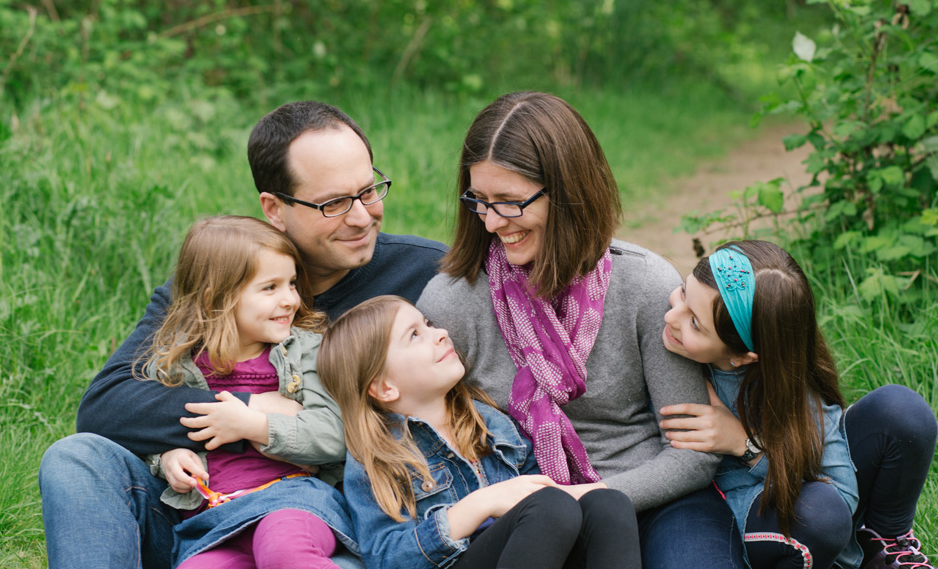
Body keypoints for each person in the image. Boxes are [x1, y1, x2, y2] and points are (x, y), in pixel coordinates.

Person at [39, 101, 446, 568]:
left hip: (331, 521)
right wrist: (249, 409)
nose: (360, 216)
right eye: (333, 203)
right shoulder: (220, 283)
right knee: (76, 457)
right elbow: (108, 405)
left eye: (369, 191)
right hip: (204, 515)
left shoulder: (426, 277)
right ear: (274, 208)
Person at [416, 91, 745, 568]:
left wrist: (593, 498)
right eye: (479, 201)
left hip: (655, 498)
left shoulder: (645, 284)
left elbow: (690, 454)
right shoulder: (452, 301)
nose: (490, 223)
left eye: (510, 202)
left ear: (568, 192)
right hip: (530, 520)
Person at [658, 240, 937, 569]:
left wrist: (744, 444)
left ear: (743, 356)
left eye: (695, 323)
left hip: (787, 515)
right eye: (683, 292)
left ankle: (885, 548)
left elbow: (841, 497)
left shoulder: (784, 384)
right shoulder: (666, 346)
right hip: (716, 518)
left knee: (902, 411)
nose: (670, 316)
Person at [317, 295, 642, 569]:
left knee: (608, 504)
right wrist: (480, 505)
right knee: (549, 507)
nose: (440, 333)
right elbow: (386, 557)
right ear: (385, 387)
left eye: (428, 324)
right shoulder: (376, 457)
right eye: (414, 335)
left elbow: (541, 497)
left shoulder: (490, 422)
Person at [140, 215, 356, 567]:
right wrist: (167, 459)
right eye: (270, 288)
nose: (290, 299)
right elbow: (149, 432)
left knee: (283, 550)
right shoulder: (176, 364)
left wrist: (252, 425)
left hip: (291, 499)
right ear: (216, 298)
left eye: (291, 283)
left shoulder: (307, 351)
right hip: (216, 517)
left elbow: (335, 435)